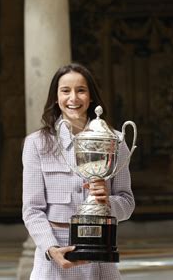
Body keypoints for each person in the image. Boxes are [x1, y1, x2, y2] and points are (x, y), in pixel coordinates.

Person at [22, 63, 135, 279]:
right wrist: (51, 248)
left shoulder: (114, 141)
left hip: (100, 257)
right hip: (54, 258)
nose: (73, 98)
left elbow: (127, 203)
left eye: (81, 90)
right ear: (56, 97)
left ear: (91, 96)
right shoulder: (37, 144)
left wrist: (108, 202)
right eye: (65, 91)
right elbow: (32, 210)